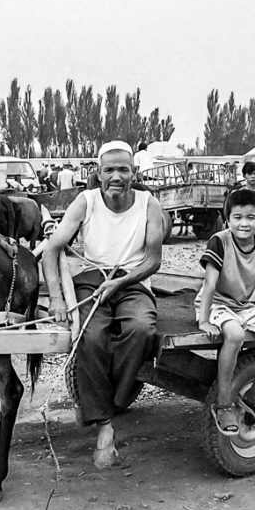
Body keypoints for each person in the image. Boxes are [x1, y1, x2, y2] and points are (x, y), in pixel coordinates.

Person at [41, 140, 164, 470]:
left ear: (133, 173)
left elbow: (153, 260)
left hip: (133, 280)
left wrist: (121, 282)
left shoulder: (149, 204)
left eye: (123, 169)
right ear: (98, 173)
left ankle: (112, 402)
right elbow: (52, 250)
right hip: (93, 278)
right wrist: (55, 299)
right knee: (90, 336)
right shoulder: (86, 201)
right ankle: (105, 425)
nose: (116, 176)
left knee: (141, 329)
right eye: (108, 170)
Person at [196, 188, 255, 435]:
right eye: (237, 217)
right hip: (216, 302)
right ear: (228, 219)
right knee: (235, 335)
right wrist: (204, 321)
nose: (244, 223)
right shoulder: (220, 240)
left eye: (250, 217)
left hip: (242, 305)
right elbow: (210, 284)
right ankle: (223, 403)